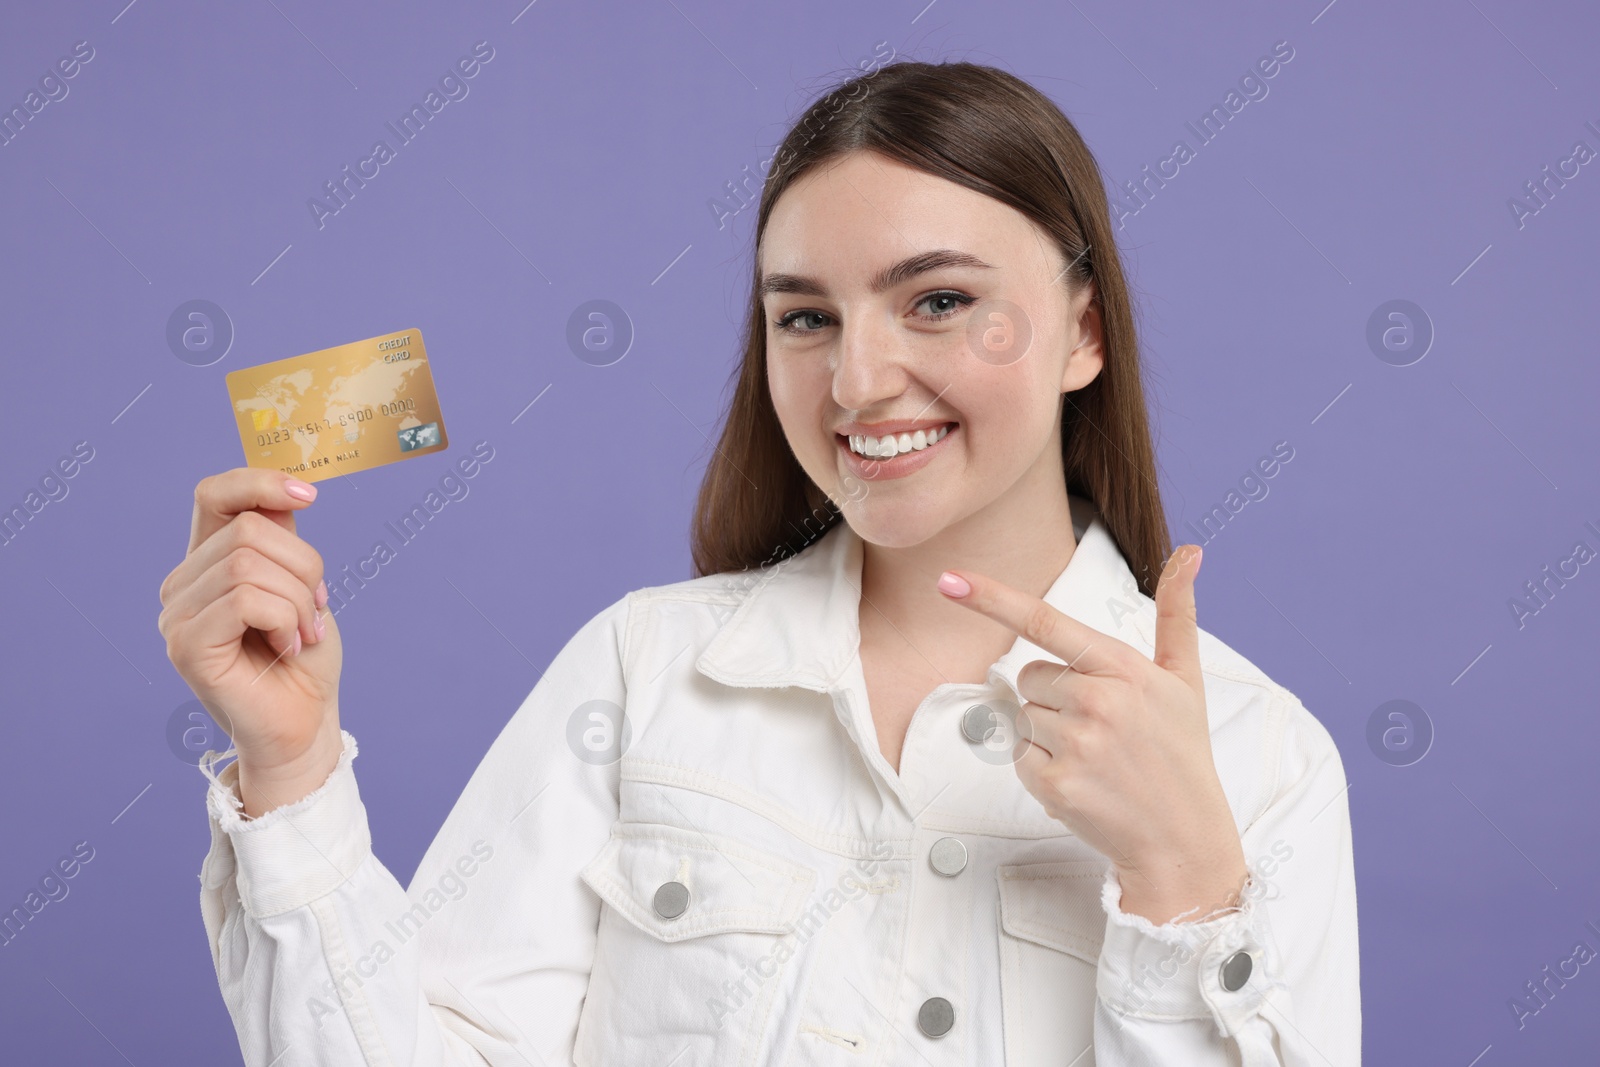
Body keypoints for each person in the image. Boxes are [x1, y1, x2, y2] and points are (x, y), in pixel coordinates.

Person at [158, 59, 1359, 1066]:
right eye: (805, 316)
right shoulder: (644, 670)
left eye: (937, 300)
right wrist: (294, 765)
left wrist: (1187, 885)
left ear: (1083, 331)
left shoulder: (1260, 757)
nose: (857, 381)